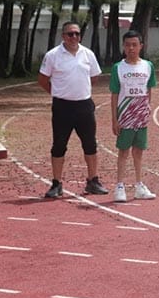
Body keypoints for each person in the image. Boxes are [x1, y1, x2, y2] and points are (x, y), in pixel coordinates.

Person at [38, 21, 108, 198]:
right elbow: (43, 80)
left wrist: (79, 91)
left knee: (90, 144)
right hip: (62, 107)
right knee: (59, 145)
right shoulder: (53, 55)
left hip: (84, 106)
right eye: (70, 34)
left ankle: (93, 181)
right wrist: (58, 92)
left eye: (77, 33)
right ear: (63, 36)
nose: (74, 37)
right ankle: (56, 184)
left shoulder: (88, 54)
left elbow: (93, 77)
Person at [110, 30, 158, 202]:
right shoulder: (118, 68)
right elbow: (114, 94)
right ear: (123, 47)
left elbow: (149, 89)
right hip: (125, 116)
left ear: (141, 46)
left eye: (134, 45)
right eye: (127, 45)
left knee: (138, 151)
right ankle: (119, 186)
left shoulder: (148, 66)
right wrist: (114, 119)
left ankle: (139, 186)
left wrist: (147, 109)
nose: (131, 48)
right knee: (123, 151)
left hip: (141, 116)